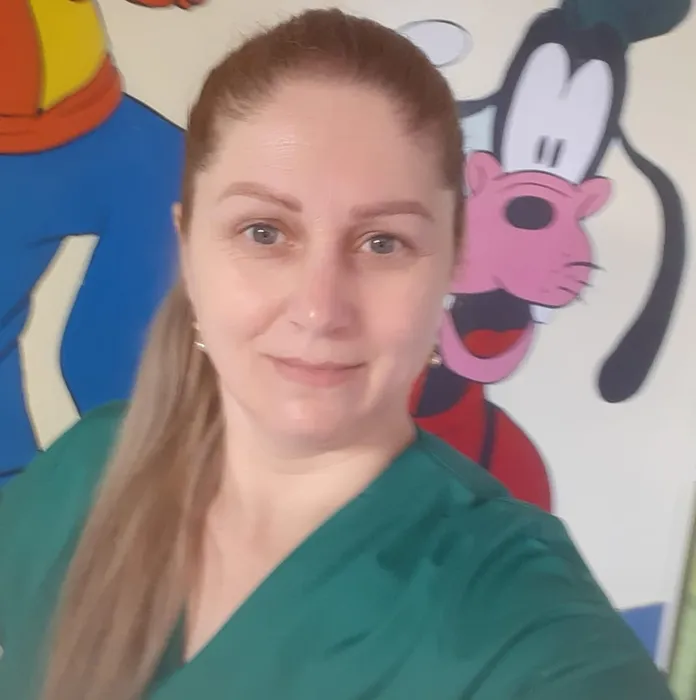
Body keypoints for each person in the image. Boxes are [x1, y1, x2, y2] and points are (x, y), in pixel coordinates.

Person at [0, 8, 675, 700]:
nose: (320, 309)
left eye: (383, 242)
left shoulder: (511, 612)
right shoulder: (77, 473)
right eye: (264, 232)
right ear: (188, 251)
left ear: (452, 262)